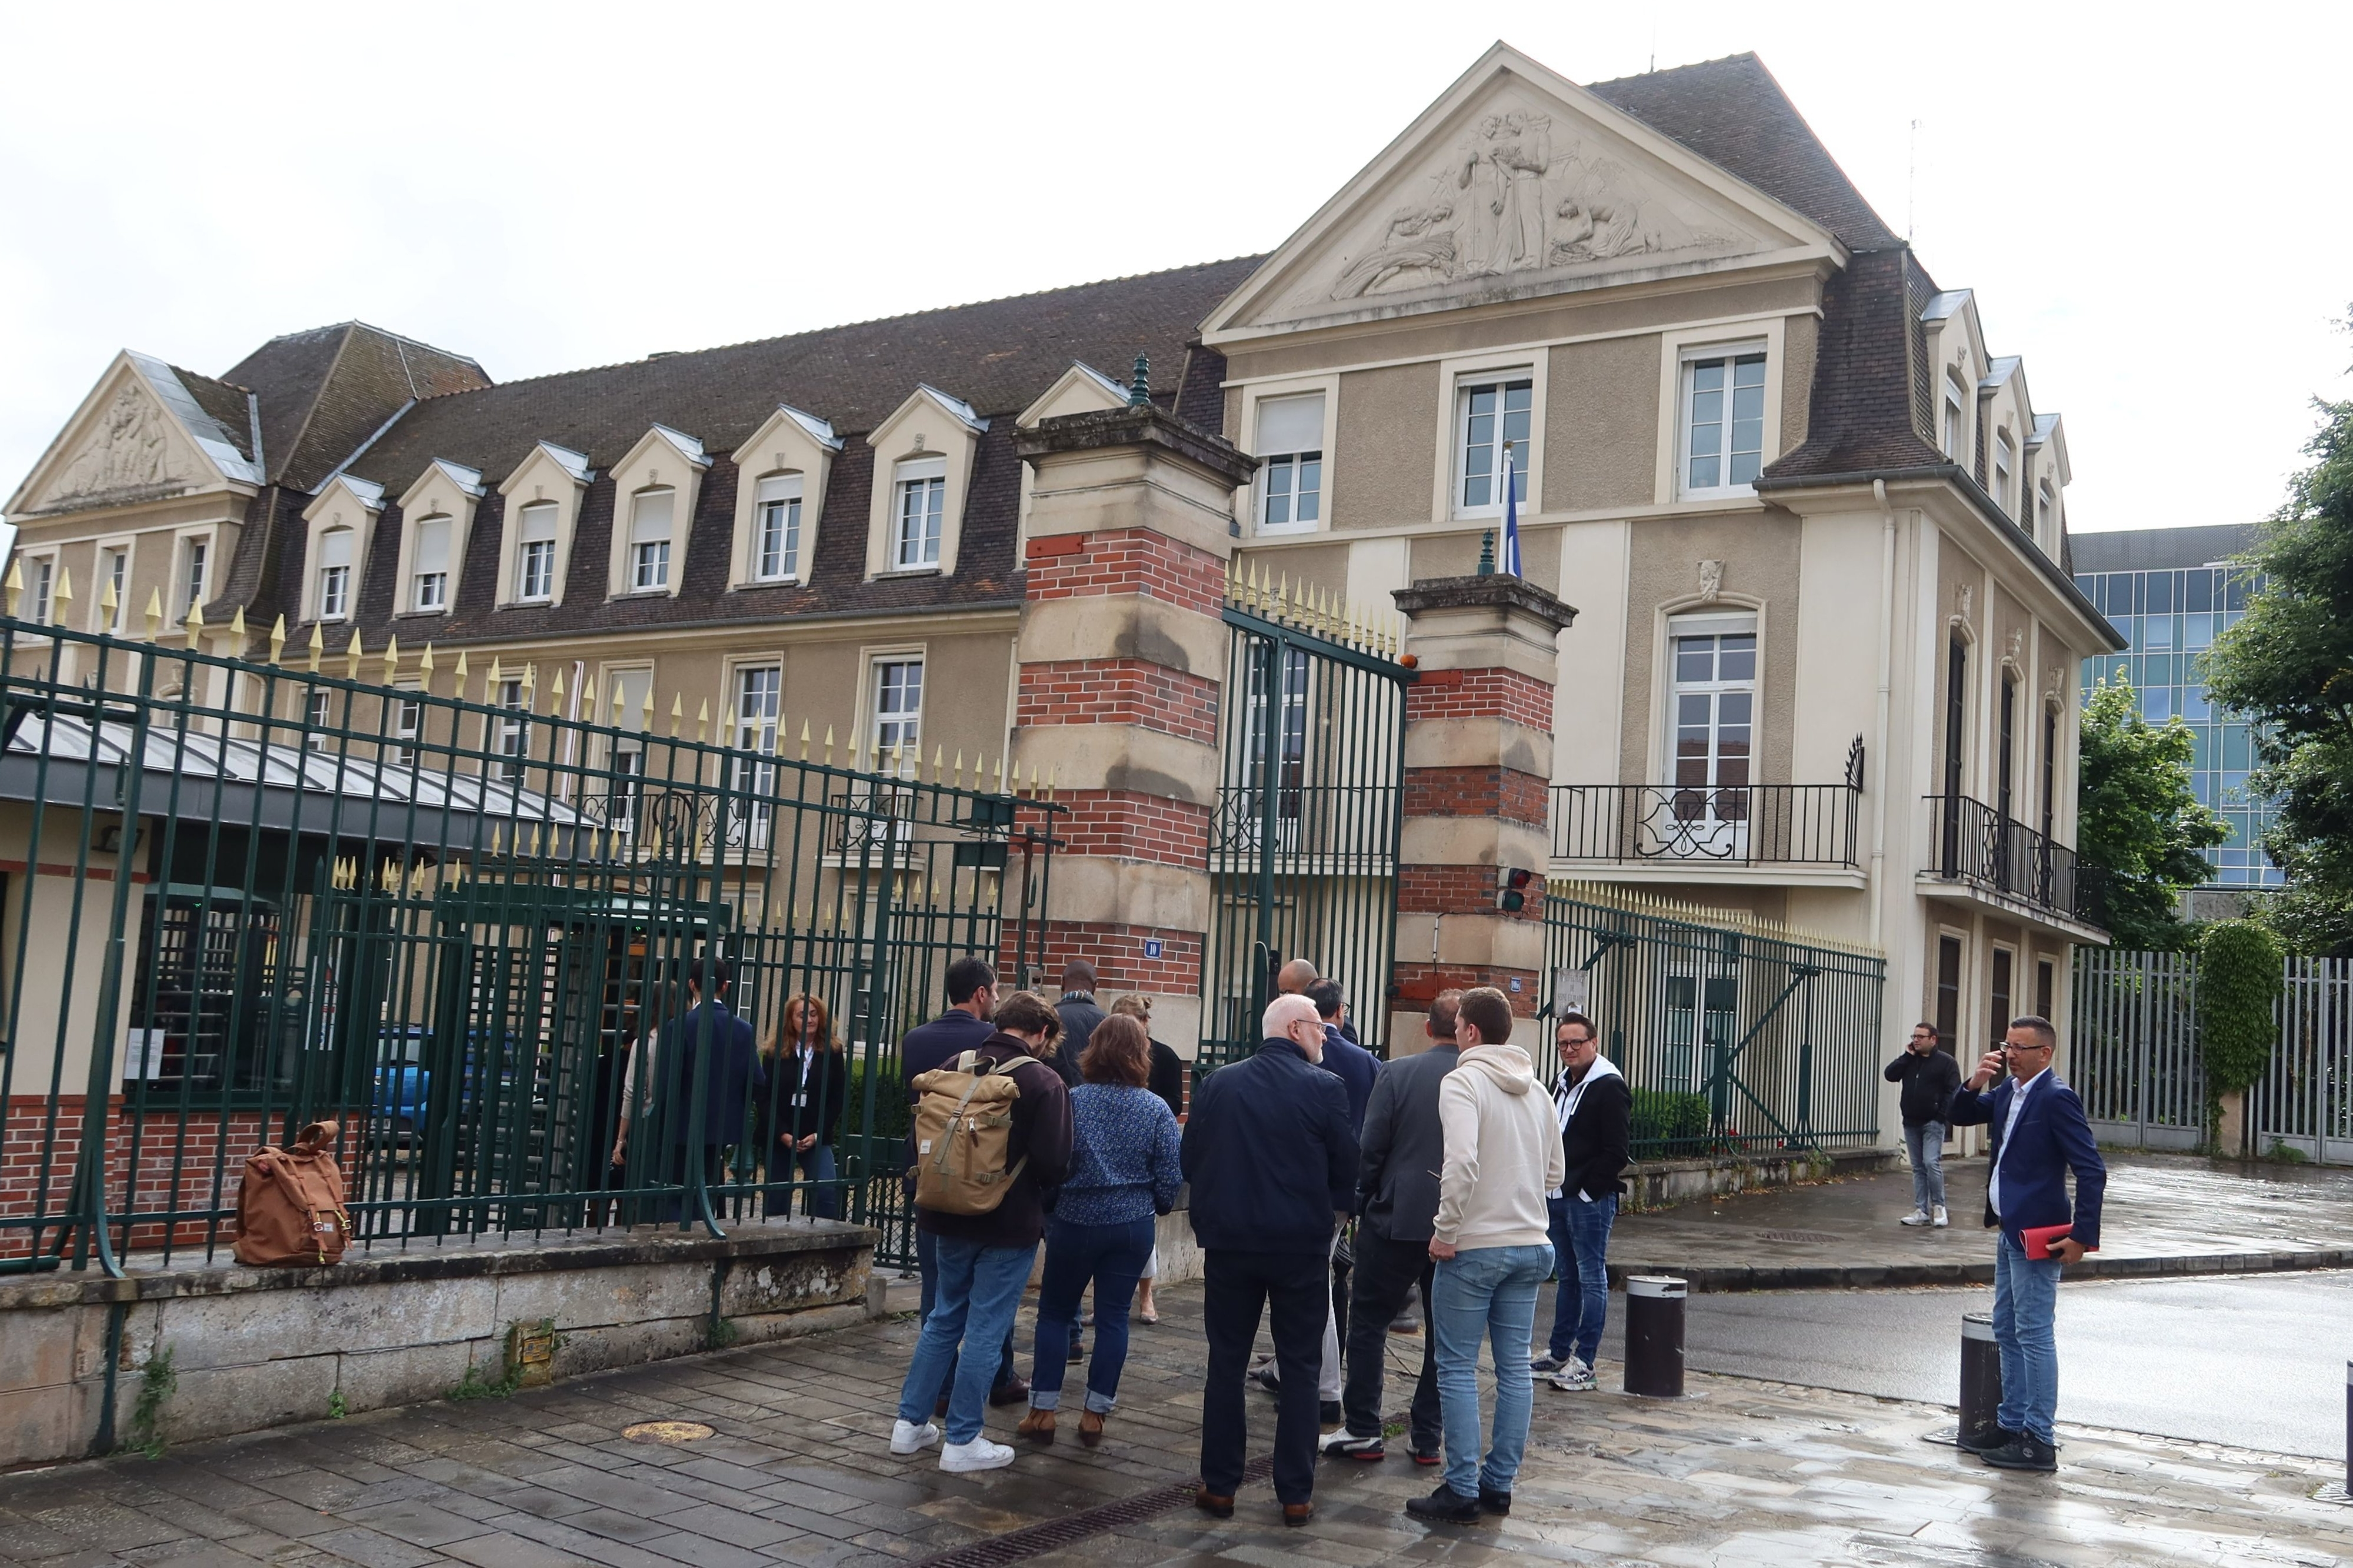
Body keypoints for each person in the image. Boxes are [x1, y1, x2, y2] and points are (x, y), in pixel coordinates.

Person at [1183, 993, 1357, 1529]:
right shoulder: (1325, 1088)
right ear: (1293, 1027)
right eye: (1319, 1030)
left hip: (1231, 1244)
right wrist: (1328, 1215)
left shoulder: (1218, 1083)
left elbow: (1191, 1157)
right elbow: (1345, 1169)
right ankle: (1295, 1494)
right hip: (1298, 1247)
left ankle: (1219, 1485)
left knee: (1227, 1364)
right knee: (1302, 1368)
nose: (1326, 1037)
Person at [890, 991, 1073, 1473]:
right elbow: (1057, 1163)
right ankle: (964, 1440)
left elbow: (918, 1140)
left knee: (944, 1317)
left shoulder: (956, 1064)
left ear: (1001, 1021)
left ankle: (909, 1427)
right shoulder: (1042, 1080)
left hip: (945, 1212)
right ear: (1042, 1034)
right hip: (1006, 1222)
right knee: (987, 1328)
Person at [1409, 987, 1562, 1523]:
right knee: (1514, 1368)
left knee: (1455, 1367)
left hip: (1475, 1247)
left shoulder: (1463, 1080)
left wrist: (1446, 1230)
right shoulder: (1539, 1091)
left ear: (1470, 1032)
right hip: (1531, 1244)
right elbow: (1555, 1173)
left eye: (1458, 1028)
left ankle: (1461, 1489)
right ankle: (1499, 1484)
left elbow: (1462, 1165)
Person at [1945, 1014, 2106, 1474]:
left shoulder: (2056, 1098)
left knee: (2033, 1332)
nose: (2010, 1054)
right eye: (2007, 1045)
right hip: (2010, 1227)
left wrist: (2082, 1236)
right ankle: (2011, 1425)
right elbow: (1958, 1114)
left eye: (2020, 1047)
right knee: (2007, 1327)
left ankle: (2039, 1438)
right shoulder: (2007, 1094)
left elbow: (2091, 1169)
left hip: (2042, 1234)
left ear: (2045, 1054)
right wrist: (1975, 1081)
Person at [1018, 1015, 1182, 1448]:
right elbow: (1170, 1177)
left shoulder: (1072, 1100)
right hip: (1130, 1227)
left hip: (1074, 1220)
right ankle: (1095, 1413)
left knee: (1055, 1313)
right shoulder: (1157, 1108)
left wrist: (1050, 1207)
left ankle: (1043, 1410)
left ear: (1094, 1050)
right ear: (1140, 1055)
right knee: (1113, 1319)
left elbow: (1050, 1163)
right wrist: (1155, 1206)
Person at [1322, 989, 1461, 1465]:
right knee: (1446, 1334)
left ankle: (1363, 1427)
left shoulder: (1398, 1072)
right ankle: (1428, 1436)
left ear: (1428, 1027)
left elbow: (1372, 1146)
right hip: (1462, 1225)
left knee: (1368, 1323)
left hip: (1398, 1215)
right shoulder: (1484, 1078)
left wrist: (1367, 1198)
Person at [898, 958, 1025, 1409]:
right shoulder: (990, 1043)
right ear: (980, 994)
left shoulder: (916, 1040)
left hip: (929, 1177)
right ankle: (1000, 1377)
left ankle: (940, 1387)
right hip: (981, 1181)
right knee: (992, 1297)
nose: (995, 999)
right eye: (993, 992)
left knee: (937, 1294)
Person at [1535, 1011, 1630, 1392]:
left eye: (1577, 1042)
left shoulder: (1609, 1086)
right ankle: (1559, 1352)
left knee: (1592, 1277)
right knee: (1568, 1277)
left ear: (1594, 1043)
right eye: (1563, 1044)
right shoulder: (1561, 1083)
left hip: (1588, 1200)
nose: (1570, 1050)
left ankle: (1585, 1361)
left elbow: (1616, 1151)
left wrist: (1589, 1191)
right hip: (1557, 1197)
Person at [644, 953, 764, 1222]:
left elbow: (665, 1081)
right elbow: (757, 1080)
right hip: (722, 1126)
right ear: (725, 986)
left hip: (681, 1124)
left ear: (690, 984)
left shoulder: (678, 1027)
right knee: (712, 1188)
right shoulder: (743, 1030)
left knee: (677, 1192)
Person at [1109, 993, 1184, 1324]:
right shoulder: (1107, 1055)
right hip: (1111, 1145)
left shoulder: (1164, 1056)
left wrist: (1143, 1108)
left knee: (1144, 1226)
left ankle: (1146, 1295)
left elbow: (1175, 1103)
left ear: (1144, 1023)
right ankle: (1108, 1298)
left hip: (1148, 1147)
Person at [759, 993, 845, 1220]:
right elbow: (764, 1098)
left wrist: (818, 1134)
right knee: (777, 1198)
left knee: (826, 1189)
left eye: (814, 1014)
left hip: (815, 1135)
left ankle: (824, 1246)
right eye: (802, 1015)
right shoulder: (774, 1052)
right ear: (790, 1020)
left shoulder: (833, 1052)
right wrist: (782, 1134)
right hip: (782, 1135)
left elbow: (837, 1098)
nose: (809, 1020)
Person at [1885, 1021, 1962, 1227]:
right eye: (1914, 1037)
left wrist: (1940, 1115)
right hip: (1911, 1121)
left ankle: (1939, 1206)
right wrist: (1905, 1057)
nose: (1916, 1040)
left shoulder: (1946, 1063)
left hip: (1933, 1122)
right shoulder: (1909, 1060)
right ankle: (1922, 1210)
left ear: (1933, 1039)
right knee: (1918, 1167)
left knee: (1931, 1162)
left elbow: (1953, 1091)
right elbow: (1890, 1075)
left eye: (1921, 1037)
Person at [1051, 960, 1106, 1090]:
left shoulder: (1049, 1017)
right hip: (1094, 1101)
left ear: (1063, 982)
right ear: (1095, 986)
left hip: (1054, 1096)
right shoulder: (1107, 1021)